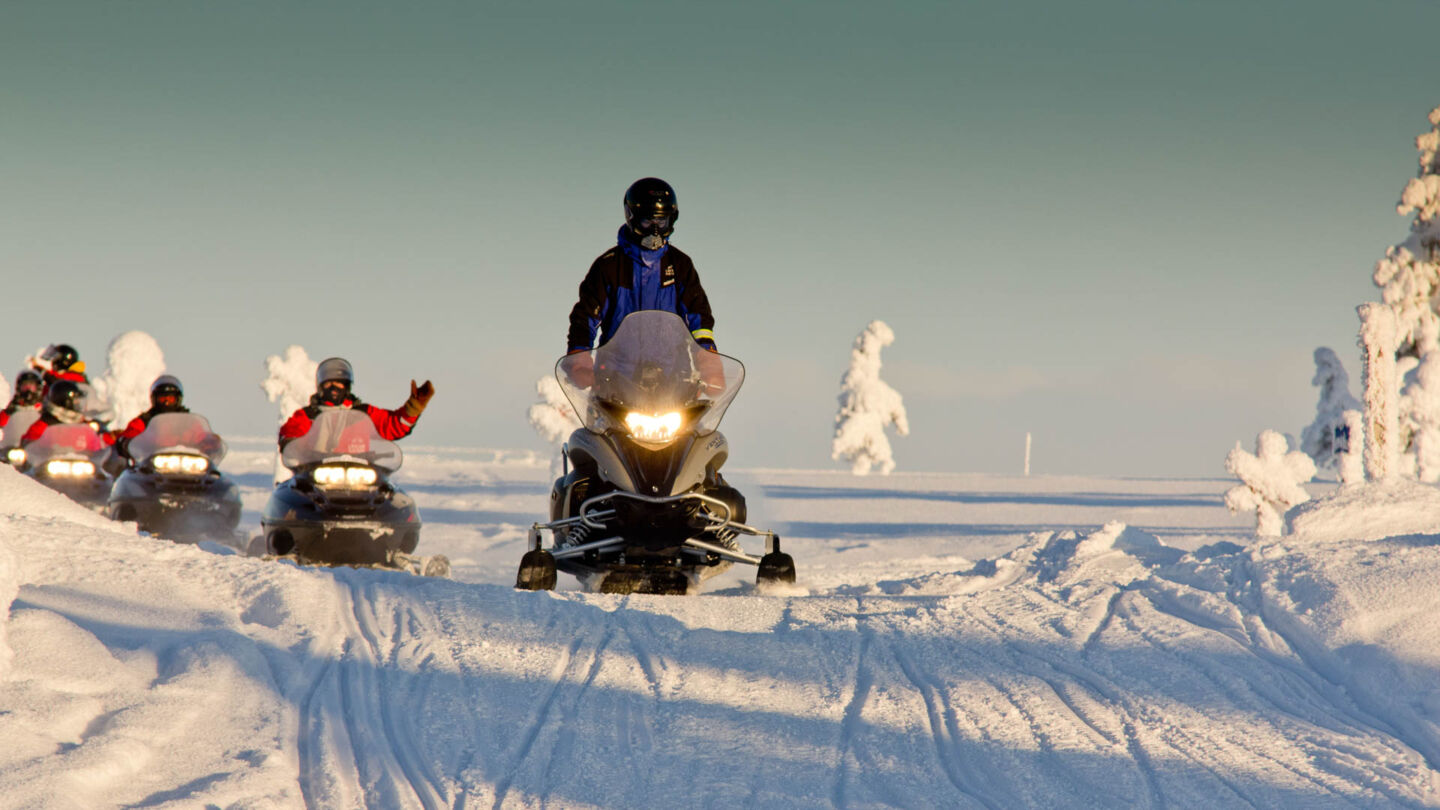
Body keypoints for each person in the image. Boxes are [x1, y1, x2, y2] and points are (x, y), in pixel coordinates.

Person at [566, 178, 718, 379]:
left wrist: (708, 358)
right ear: (632, 217)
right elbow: (585, 318)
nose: (655, 230)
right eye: (648, 221)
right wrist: (580, 357)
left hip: (673, 382)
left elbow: (698, 314)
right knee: (598, 408)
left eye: (661, 221)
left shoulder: (680, 265)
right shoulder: (609, 266)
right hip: (616, 383)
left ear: (671, 220)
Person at [278, 357, 434, 449]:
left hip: (359, 476)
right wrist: (291, 443)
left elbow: (394, 425)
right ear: (320, 386)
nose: (334, 387)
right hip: (315, 475)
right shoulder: (307, 415)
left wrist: (414, 406)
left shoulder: (362, 413)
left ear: (347, 386)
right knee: (291, 494)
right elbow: (290, 433)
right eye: (329, 383)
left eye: (339, 383)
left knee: (392, 497)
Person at [112, 375, 206, 461]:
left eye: (170, 399)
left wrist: (211, 443)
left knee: (213, 476)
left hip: (187, 464)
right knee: (129, 476)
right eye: (162, 398)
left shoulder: (190, 421)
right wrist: (127, 443)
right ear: (154, 399)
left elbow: (201, 437)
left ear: (178, 399)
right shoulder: (144, 421)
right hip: (151, 465)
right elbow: (131, 435)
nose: (166, 402)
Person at [20, 380, 110, 449]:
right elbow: (29, 444)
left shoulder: (82, 423)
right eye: (76, 401)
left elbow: (97, 440)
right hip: (50, 467)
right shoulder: (43, 425)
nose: (78, 404)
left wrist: (111, 439)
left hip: (82, 465)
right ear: (66, 403)